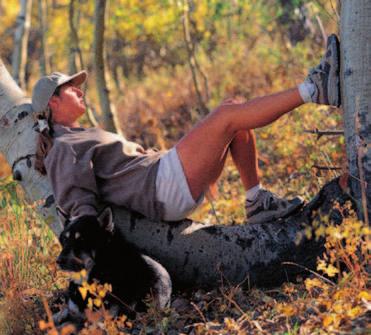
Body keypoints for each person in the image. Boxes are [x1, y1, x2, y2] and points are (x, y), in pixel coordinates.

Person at [32, 35, 340, 224]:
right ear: (54, 103)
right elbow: (76, 202)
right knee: (227, 116)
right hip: (160, 186)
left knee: (233, 108)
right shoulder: (63, 147)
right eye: (72, 89)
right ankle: (315, 89)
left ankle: (256, 201)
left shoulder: (75, 136)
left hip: (162, 176)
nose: (80, 91)